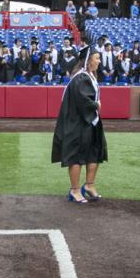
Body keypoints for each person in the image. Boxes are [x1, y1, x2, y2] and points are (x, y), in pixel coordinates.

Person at [52, 45, 107, 203]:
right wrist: (96, 105)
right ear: (88, 60)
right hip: (78, 123)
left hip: (90, 122)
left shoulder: (90, 76)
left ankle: (89, 185)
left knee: (94, 151)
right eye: (97, 58)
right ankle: (75, 190)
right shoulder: (81, 77)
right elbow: (84, 101)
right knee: (76, 155)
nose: (99, 61)